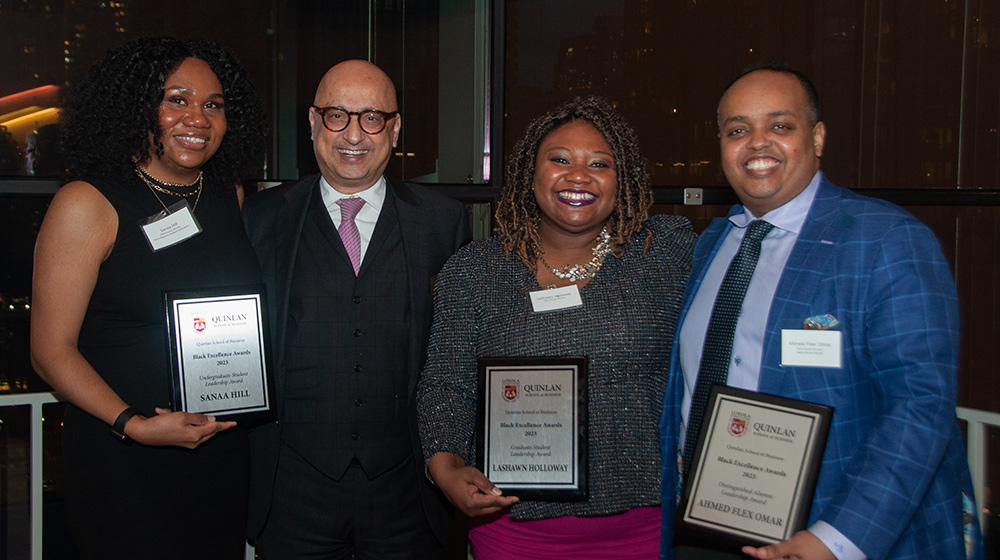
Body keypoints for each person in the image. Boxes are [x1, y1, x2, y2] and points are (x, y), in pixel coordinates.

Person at [659, 63, 983, 560]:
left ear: (818, 137)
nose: (757, 143)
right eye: (738, 130)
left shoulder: (886, 239)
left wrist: (836, 541)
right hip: (708, 525)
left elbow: (920, 407)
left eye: (780, 126)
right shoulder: (713, 244)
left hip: (835, 533)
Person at [418, 95, 696, 559]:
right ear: (532, 172)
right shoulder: (475, 272)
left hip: (644, 524)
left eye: (600, 164)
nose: (579, 175)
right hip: (513, 526)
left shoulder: (663, 256)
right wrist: (445, 468)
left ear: (620, 179)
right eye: (560, 159)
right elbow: (447, 383)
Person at [30, 36, 267, 558]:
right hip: (125, 458)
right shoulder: (87, 203)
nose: (197, 119)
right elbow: (50, 351)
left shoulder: (232, 198)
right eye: (176, 99)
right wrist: (132, 424)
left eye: (214, 105)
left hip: (220, 455)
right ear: (139, 107)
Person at [241, 59, 470, 558]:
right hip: (293, 490)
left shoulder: (443, 222)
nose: (354, 133)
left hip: (408, 490)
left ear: (395, 127)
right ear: (312, 123)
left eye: (372, 117)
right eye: (337, 115)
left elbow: (457, 349)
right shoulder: (260, 218)